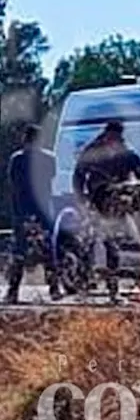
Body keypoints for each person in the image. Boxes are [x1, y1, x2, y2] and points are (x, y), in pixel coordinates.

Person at [72, 120, 140, 302]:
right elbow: (78, 176)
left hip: (117, 203)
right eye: (112, 137)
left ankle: (113, 290)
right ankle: (83, 286)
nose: (114, 141)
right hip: (95, 201)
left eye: (117, 138)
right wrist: (81, 199)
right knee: (88, 244)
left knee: (112, 245)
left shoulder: (126, 152)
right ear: (106, 134)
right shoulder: (92, 151)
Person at [5, 125, 60, 303]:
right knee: (48, 252)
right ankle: (54, 289)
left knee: (20, 251)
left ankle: (13, 292)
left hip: (23, 211)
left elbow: (13, 184)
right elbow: (51, 178)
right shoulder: (49, 159)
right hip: (43, 210)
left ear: (24, 138)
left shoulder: (17, 159)